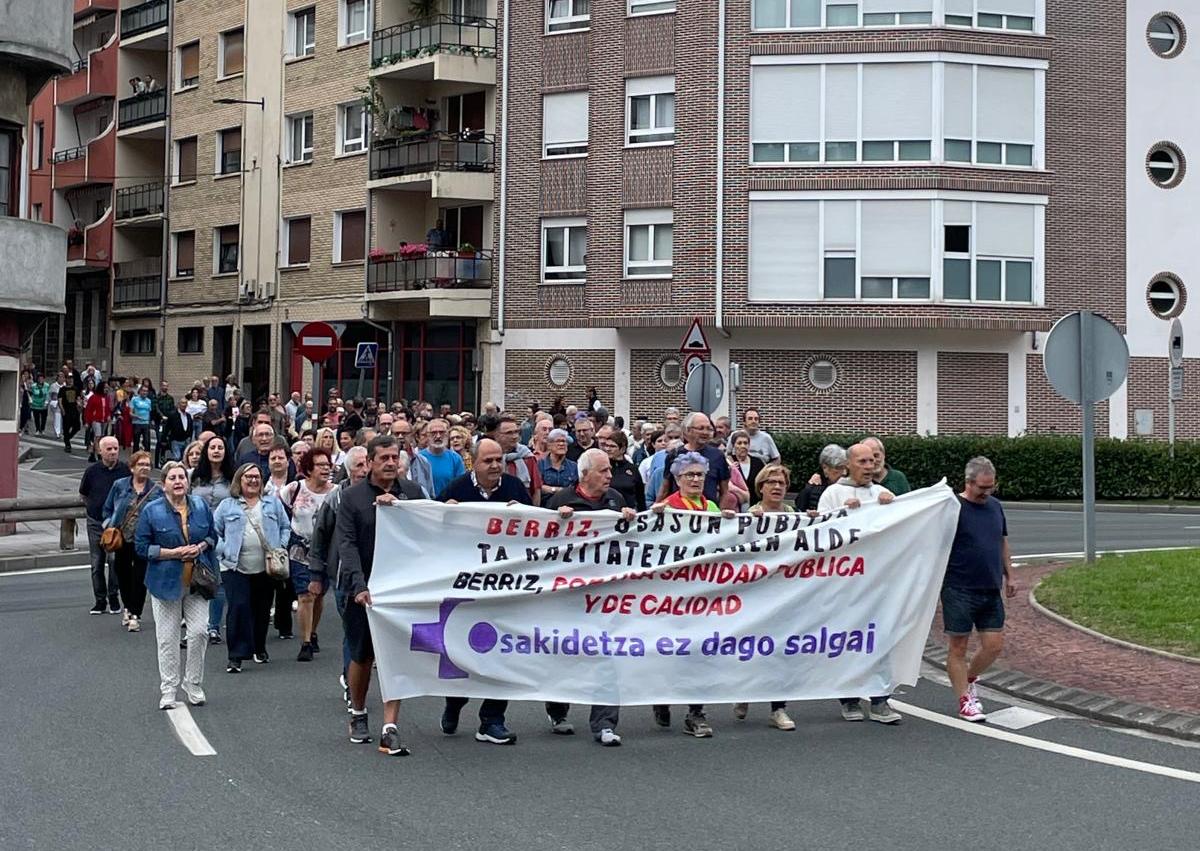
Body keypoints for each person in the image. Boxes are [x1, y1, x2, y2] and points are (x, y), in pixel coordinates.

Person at [337, 436, 425, 755]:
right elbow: (346, 544)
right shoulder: (351, 497)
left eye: (395, 457)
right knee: (362, 656)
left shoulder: (412, 494)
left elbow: (428, 533)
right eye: (384, 457)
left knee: (394, 656)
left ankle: (390, 724)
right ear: (371, 462)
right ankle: (358, 711)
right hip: (364, 591)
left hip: (400, 592)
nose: (390, 463)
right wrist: (359, 586)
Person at [439, 438, 530, 744]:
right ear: (473, 463)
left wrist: (527, 515)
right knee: (464, 651)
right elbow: (430, 531)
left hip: (505, 587)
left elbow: (538, 534)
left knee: (502, 651)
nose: (494, 466)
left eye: (498, 460)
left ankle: (492, 720)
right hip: (467, 586)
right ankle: (455, 700)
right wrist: (443, 512)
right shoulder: (456, 489)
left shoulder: (516, 488)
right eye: (487, 461)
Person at [545, 448, 638, 746]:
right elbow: (539, 546)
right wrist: (558, 522)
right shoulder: (561, 501)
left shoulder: (616, 500)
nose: (610, 476)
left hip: (605, 596)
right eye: (603, 471)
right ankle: (558, 711)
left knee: (608, 657)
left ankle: (604, 723)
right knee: (565, 654)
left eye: (610, 470)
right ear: (585, 475)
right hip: (569, 595)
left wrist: (630, 520)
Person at [649, 451, 735, 737]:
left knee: (701, 653)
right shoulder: (667, 508)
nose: (696, 479)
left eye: (701, 475)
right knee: (673, 652)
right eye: (690, 475)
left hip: (705, 593)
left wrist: (731, 524)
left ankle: (696, 713)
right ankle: (662, 697)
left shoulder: (711, 506)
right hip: (674, 594)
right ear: (677, 479)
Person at [818, 443, 900, 724]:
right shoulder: (833, 494)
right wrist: (843, 514)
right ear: (848, 466)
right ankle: (849, 698)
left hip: (877, 581)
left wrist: (892, 509)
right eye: (863, 461)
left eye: (872, 461)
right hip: (846, 582)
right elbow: (820, 535)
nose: (869, 466)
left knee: (881, 639)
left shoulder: (881, 494)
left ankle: (880, 700)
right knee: (849, 639)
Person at [134, 462, 218, 709]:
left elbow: (213, 535)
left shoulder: (201, 506)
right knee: (167, 638)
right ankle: (168, 689)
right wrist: (172, 552)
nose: (179, 481)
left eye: (182, 477)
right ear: (164, 484)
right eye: (173, 478)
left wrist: (200, 547)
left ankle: (193, 684)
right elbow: (141, 547)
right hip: (165, 582)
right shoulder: (152, 511)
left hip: (197, 581)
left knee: (199, 632)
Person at [944, 457, 1016, 722]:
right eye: (981, 488)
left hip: (989, 586)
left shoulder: (995, 507)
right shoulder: (953, 507)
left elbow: (1002, 541)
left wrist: (1010, 575)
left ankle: (969, 678)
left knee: (994, 645)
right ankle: (964, 699)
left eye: (990, 487)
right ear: (968, 482)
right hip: (959, 586)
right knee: (958, 645)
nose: (986, 493)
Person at [213, 463, 291, 673]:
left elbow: (286, 527)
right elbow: (214, 532)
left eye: (257, 477)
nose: (253, 481)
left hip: (267, 567)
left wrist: (280, 547)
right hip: (234, 565)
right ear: (239, 480)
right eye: (248, 477)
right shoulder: (227, 506)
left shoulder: (272, 504)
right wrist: (223, 550)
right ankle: (236, 656)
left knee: (262, 608)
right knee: (238, 606)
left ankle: (259, 646)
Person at [736, 462, 797, 731]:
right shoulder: (751, 515)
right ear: (761, 487)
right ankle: (744, 691)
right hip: (757, 593)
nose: (777, 487)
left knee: (781, 650)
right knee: (753, 647)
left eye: (781, 483)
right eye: (771, 482)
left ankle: (778, 707)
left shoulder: (794, 515)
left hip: (785, 593)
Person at [279, 447, 335, 662]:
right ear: (309, 468)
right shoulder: (294, 489)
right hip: (299, 547)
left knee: (319, 594)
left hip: (325, 550)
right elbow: (280, 511)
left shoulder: (336, 492)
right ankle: (305, 642)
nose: (325, 469)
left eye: (327, 465)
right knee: (305, 594)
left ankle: (312, 630)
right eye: (320, 465)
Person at [102, 450, 160, 633]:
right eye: (141, 464)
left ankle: (136, 613)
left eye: (147, 465)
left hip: (144, 539)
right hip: (123, 538)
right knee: (123, 574)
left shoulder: (155, 490)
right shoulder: (119, 486)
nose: (145, 468)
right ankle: (127, 607)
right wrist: (108, 525)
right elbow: (108, 508)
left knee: (140, 577)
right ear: (132, 467)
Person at [192, 436, 236, 644]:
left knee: (217, 582)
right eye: (212, 447)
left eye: (220, 447)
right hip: (197, 534)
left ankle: (213, 626)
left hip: (223, 535)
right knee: (195, 580)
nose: (216, 451)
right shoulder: (195, 477)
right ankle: (195, 624)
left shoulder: (232, 478)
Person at [79, 436, 130, 615]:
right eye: (109, 449)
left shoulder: (125, 470)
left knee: (114, 560)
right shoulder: (92, 471)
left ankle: (114, 597)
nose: (113, 452)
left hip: (116, 524)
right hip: (95, 522)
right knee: (96, 562)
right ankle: (100, 601)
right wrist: (94, 509)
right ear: (100, 451)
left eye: (115, 448)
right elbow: (83, 494)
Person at [656, 413, 730, 507]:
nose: (705, 432)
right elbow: (665, 489)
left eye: (708, 428)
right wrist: (654, 512)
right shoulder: (674, 455)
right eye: (701, 428)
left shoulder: (718, 456)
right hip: (678, 514)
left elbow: (725, 492)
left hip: (707, 514)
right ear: (688, 430)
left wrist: (720, 516)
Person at [418, 418, 465, 498]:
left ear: (447, 434)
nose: (438, 436)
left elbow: (461, 486)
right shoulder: (419, 458)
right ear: (427, 435)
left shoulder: (456, 459)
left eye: (442, 432)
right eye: (434, 433)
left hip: (447, 505)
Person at [600, 428, 644, 513]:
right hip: (607, 514)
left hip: (629, 515)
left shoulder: (633, 469)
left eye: (612, 446)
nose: (608, 449)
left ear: (622, 449)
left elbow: (640, 498)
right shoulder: (601, 468)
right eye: (606, 446)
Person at [797, 444, 847, 517]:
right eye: (838, 468)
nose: (844, 472)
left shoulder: (853, 487)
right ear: (825, 468)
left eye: (846, 467)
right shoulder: (810, 491)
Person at [726, 429, 764, 511]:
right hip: (735, 507)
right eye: (739, 443)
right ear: (733, 445)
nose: (743, 446)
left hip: (755, 508)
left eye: (745, 443)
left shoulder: (758, 463)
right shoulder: (728, 462)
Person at [83, 382, 112, 462]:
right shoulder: (93, 397)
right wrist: (87, 422)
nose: (106, 389)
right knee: (97, 436)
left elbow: (107, 409)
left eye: (107, 388)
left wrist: (109, 415)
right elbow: (88, 410)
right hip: (96, 420)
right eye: (105, 388)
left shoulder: (106, 398)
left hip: (104, 420)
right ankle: (99, 454)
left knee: (101, 437)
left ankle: (92, 453)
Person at [153, 380, 175, 465]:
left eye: (167, 386)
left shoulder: (170, 398)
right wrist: (162, 416)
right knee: (159, 441)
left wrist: (170, 418)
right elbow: (156, 408)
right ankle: (156, 462)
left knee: (165, 441)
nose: (165, 387)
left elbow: (172, 409)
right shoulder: (157, 397)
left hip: (168, 423)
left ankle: (162, 459)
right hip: (159, 422)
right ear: (161, 387)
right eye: (164, 386)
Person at [164, 397, 193, 461]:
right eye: (182, 403)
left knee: (184, 458)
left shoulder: (188, 415)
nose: (184, 405)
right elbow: (167, 427)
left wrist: (189, 437)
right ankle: (169, 462)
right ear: (179, 404)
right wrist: (164, 439)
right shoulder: (172, 415)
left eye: (185, 403)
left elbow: (190, 427)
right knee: (177, 457)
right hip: (175, 440)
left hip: (186, 440)